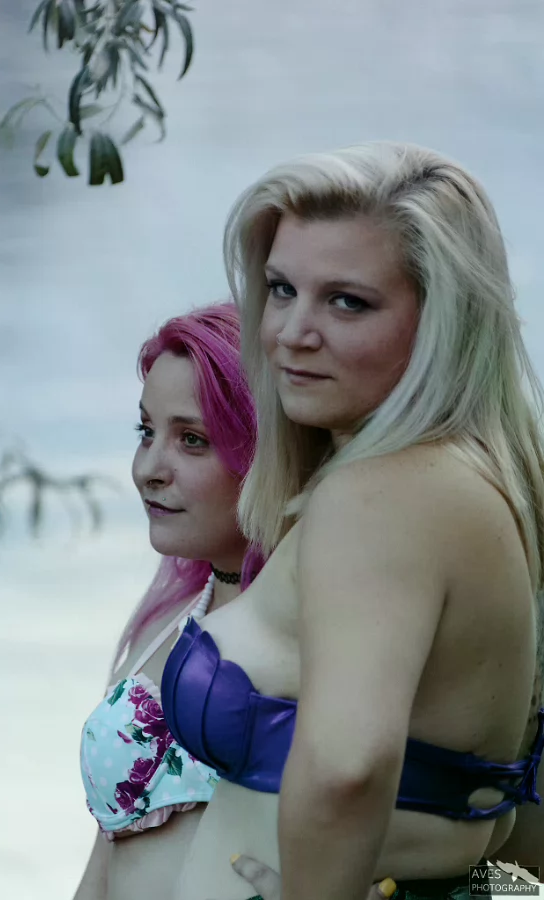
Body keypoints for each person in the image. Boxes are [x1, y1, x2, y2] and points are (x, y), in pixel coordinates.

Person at [159, 143, 544, 900]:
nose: (292, 333)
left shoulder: (380, 498)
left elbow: (346, 769)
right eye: (280, 289)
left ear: (441, 321)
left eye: (347, 302)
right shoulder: (483, 481)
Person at [73, 302, 260, 900]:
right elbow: (104, 860)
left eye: (192, 440)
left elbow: (499, 869)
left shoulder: (316, 631)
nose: (148, 469)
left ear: (267, 452)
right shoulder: (169, 622)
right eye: (146, 432)